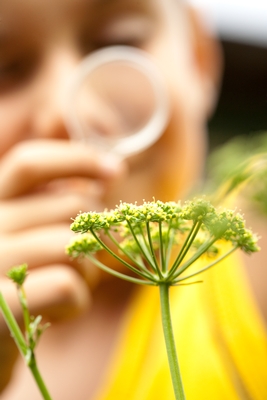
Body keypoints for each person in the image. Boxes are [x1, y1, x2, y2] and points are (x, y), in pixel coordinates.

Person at [0, 0, 266, 399]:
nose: (71, 110)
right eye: (5, 70)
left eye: (118, 41)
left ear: (198, 57)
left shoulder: (250, 255)